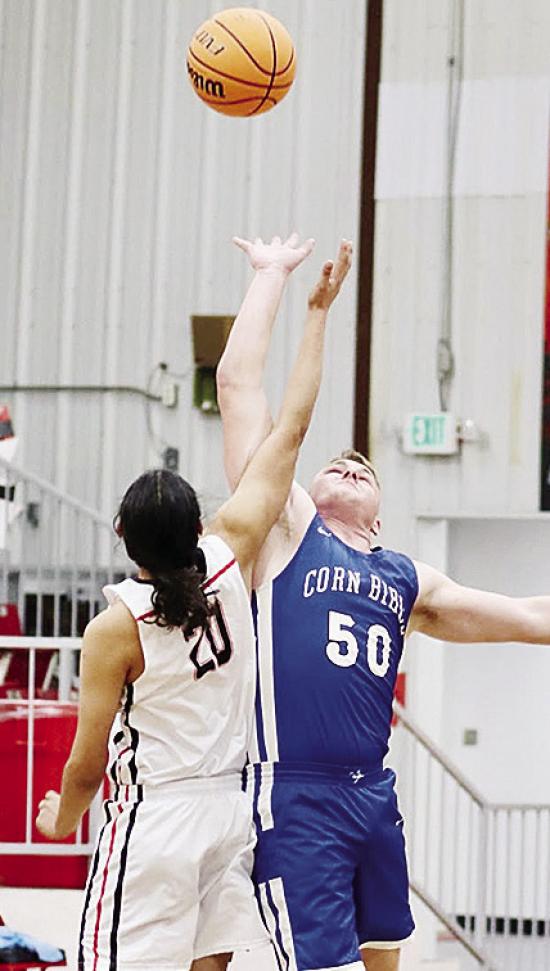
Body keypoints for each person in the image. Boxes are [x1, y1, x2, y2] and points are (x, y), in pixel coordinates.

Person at [216, 233, 550, 971]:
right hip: (294, 792)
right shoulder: (285, 528)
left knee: (386, 956)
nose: (346, 463)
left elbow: (531, 616)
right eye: (338, 461)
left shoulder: (406, 578)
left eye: (362, 467)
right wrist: (270, 279)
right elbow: (240, 391)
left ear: (381, 515)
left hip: (374, 792)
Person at [35, 243, 342, 971]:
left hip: (157, 824)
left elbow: (84, 767)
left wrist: (61, 818)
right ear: (196, 524)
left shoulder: (116, 624)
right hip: (227, 815)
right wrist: (317, 315)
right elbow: (291, 430)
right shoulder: (232, 552)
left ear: (122, 537)